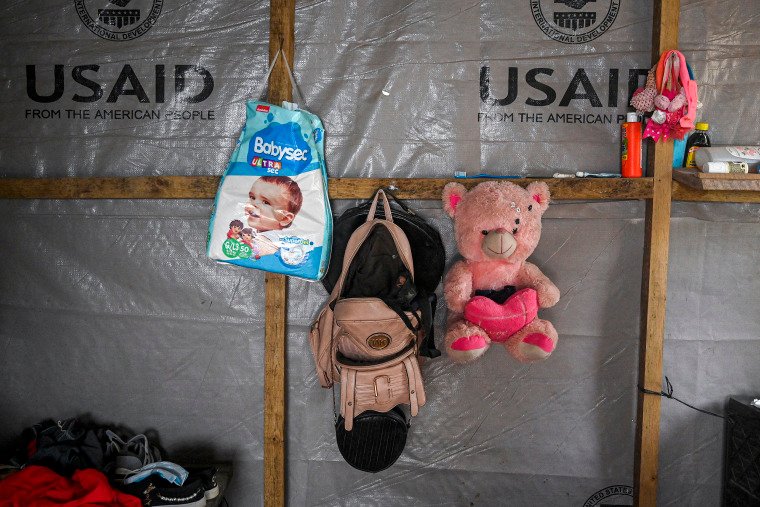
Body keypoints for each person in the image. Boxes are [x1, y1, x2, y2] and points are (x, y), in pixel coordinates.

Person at [243, 176, 303, 257]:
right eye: (252, 197)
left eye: (266, 202)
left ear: (285, 218)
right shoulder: (258, 234)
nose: (253, 204)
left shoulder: (265, 243)